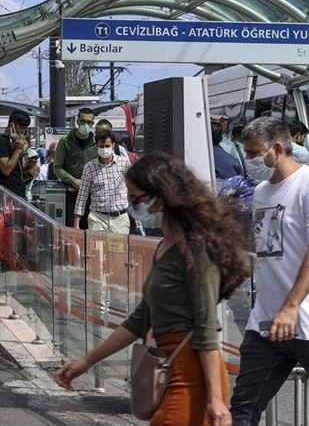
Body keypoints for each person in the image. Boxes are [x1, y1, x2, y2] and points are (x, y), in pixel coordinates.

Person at [55, 152, 251, 425]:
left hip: (193, 375)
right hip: (170, 366)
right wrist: (86, 362)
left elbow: (206, 326)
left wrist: (216, 399)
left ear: (162, 194)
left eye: (136, 199)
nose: (132, 206)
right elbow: (140, 319)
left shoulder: (195, 248)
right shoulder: (164, 247)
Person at [230, 117, 309, 426]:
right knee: (243, 405)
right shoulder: (261, 192)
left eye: (253, 152)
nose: (248, 160)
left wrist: (291, 307)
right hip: (266, 321)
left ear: (277, 148)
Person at [74, 130, 132, 234]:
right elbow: (82, 196)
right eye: (101, 146)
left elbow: (132, 189)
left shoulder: (124, 164)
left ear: (113, 145)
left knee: (118, 250)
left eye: (107, 145)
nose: (104, 149)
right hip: (97, 218)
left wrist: (137, 216)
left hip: (120, 219)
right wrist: (76, 223)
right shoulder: (89, 168)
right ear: (97, 146)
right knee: (97, 250)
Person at [53, 108, 100, 227]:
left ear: (93, 124)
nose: (85, 125)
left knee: (91, 228)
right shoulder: (65, 141)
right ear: (77, 121)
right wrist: (73, 181)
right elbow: (57, 167)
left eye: (89, 122)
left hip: (92, 194)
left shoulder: (97, 142)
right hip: (71, 193)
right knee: (72, 228)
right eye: (83, 121)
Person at [0, 110, 31, 199]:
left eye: (25, 128)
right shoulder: (2, 142)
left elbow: (17, 171)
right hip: (7, 194)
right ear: (12, 126)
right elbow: (6, 170)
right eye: (21, 127)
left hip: (19, 193)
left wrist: (29, 166)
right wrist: (18, 150)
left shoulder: (16, 142)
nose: (23, 132)